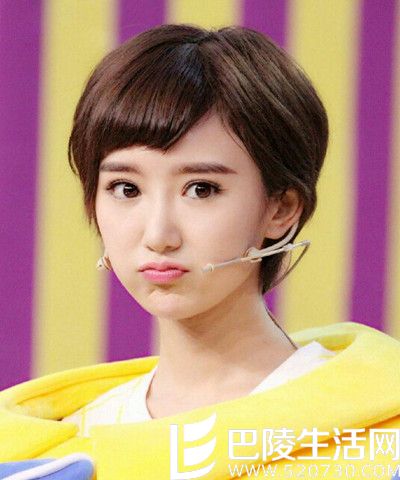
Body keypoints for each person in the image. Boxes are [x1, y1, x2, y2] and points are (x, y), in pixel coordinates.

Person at [0, 23, 400, 480]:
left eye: (201, 189)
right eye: (126, 188)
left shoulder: (375, 440)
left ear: (281, 208)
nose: (159, 234)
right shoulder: (59, 450)